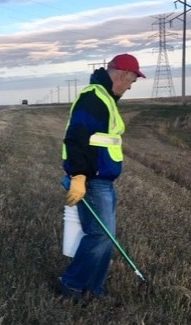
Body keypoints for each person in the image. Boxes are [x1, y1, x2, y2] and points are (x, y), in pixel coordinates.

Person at [58, 53, 146, 301]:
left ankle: (94, 289)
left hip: (101, 180)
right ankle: (72, 284)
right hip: (92, 180)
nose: (131, 86)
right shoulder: (94, 98)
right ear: (122, 75)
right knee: (100, 235)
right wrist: (78, 176)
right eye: (132, 80)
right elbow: (76, 138)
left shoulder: (105, 98)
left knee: (106, 237)